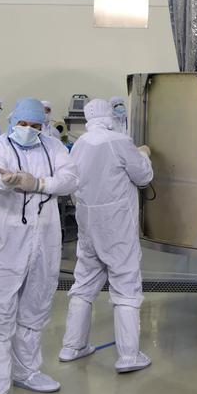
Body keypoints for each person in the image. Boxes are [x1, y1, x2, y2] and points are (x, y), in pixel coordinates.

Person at [0, 98, 77, 394]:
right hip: (6, 241)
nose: (29, 130)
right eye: (23, 124)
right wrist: (5, 182)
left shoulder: (53, 147)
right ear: (12, 121)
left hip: (45, 240)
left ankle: (26, 371)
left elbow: (71, 178)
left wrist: (39, 183)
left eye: (35, 125)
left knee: (36, 306)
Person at [59, 98, 153, 373]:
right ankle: (129, 356)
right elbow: (143, 177)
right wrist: (144, 155)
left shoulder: (80, 143)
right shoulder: (119, 141)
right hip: (116, 225)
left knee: (84, 282)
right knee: (125, 284)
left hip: (88, 223)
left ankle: (72, 346)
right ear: (110, 115)